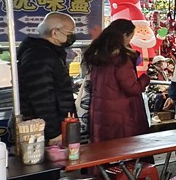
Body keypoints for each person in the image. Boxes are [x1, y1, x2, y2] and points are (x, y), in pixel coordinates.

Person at [83, 19, 149, 143]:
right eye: (130, 38)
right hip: (122, 115)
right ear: (124, 35)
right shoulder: (120, 59)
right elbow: (132, 88)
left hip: (101, 112)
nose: (130, 41)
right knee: (124, 152)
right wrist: (146, 78)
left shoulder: (98, 55)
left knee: (106, 150)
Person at [17, 12, 77, 145]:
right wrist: (54, 133)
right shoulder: (39, 56)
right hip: (42, 131)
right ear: (55, 33)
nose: (73, 35)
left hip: (56, 125)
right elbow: (42, 98)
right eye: (70, 32)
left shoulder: (51, 53)